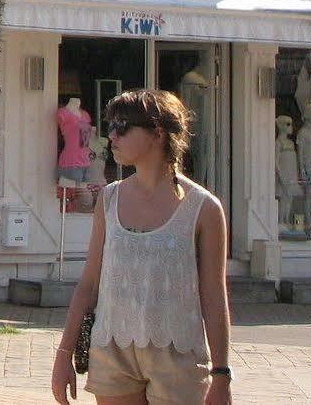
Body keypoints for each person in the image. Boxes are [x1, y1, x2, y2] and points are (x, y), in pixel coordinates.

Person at [51, 88, 233, 405]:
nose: (112, 136)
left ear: (157, 134)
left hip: (178, 354)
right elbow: (89, 284)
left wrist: (221, 375)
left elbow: (214, 296)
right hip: (112, 349)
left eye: (123, 126)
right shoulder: (108, 199)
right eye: (111, 125)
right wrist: (64, 354)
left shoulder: (203, 208)